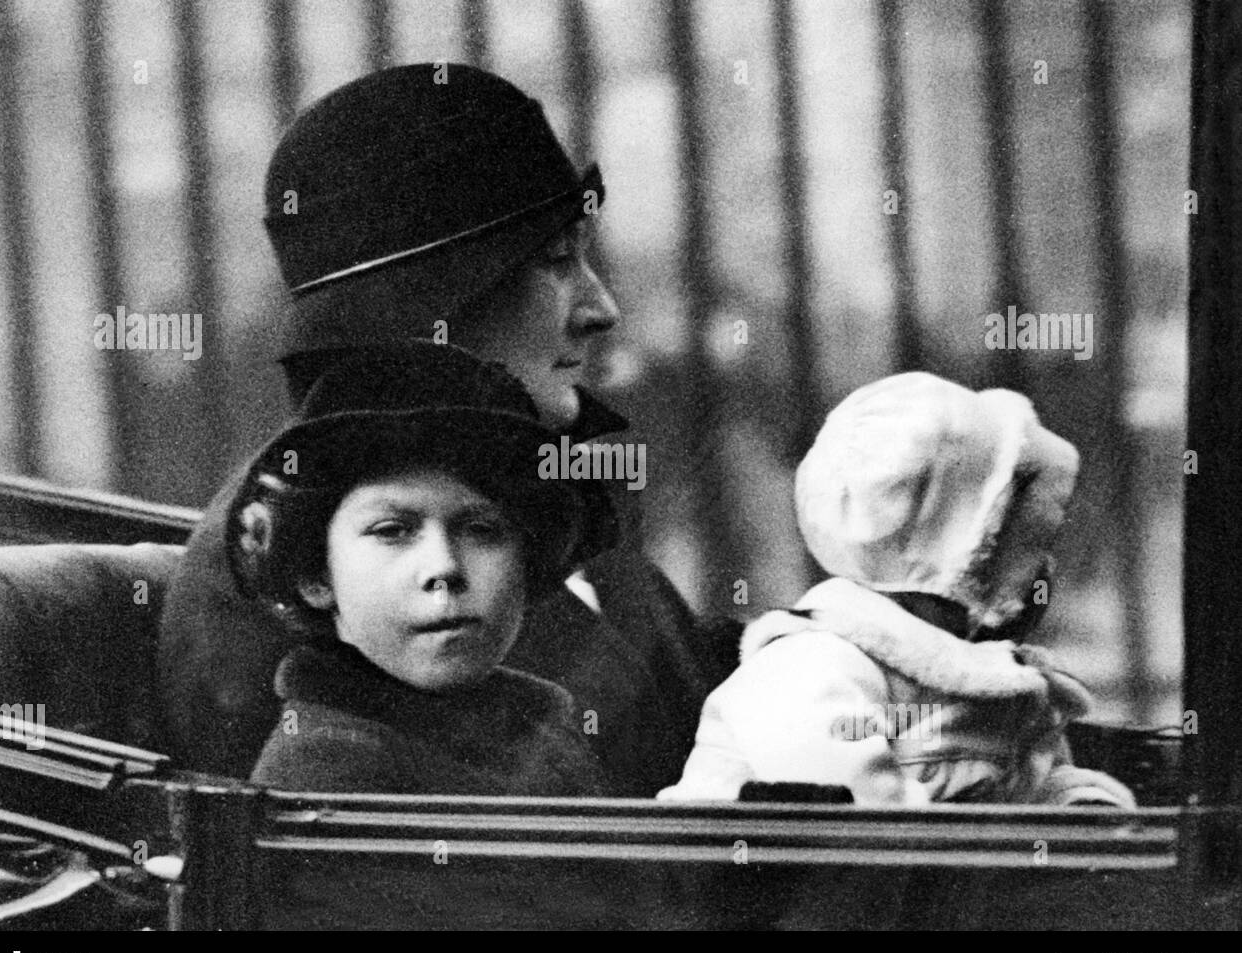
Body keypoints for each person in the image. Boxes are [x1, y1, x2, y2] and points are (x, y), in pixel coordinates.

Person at [157, 63, 741, 795]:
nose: (600, 309)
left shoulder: (540, 478)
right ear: (437, 303)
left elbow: (675, 686)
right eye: (557, 262)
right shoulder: (281, 574)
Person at [657, 373, 1136, 808]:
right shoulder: (811, 668)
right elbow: (864, 832)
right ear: (967, 549)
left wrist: (1070, 807)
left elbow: (1024, 786)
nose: (1043, 570)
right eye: (1024, 544)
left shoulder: (985, 674)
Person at [232, 340, 610, 795]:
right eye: (392, 530)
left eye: (483, 529)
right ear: (315, 575)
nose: (444, 568)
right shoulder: (328, 774)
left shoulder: (546, 734)